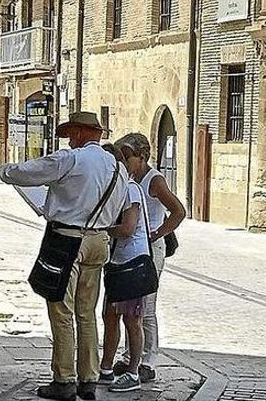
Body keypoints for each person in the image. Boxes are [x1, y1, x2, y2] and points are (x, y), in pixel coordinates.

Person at [0, 111, 129, 401]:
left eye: (72, 134)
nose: (69, 140)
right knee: (87, 313)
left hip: (67, 241)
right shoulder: (118, 168)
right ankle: (89, 379)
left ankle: (65, 379)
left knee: (61, 311)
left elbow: (28, 172)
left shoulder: (71, 159)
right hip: (99, 241)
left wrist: (4, 171)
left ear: (82, 133)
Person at [111, 133, 185, 383]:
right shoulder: (128, 179)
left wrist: (158, 233)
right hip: (134, 248)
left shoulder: (154, 181)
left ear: (141, 157)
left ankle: (148, 359)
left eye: (127, 157)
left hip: (151, 249)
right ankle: (130, 354)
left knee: (146, 307)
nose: (123, 162)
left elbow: (178, 211)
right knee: (129, 306)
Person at [97, 144, 147, 393]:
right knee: (110, 315)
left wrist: (101, 228)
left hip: (132, 262)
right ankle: (105, 367)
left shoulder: (130, 191)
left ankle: (133, 371)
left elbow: (128, 228)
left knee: (132, 319)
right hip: (116, 262)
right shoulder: (117, 189)